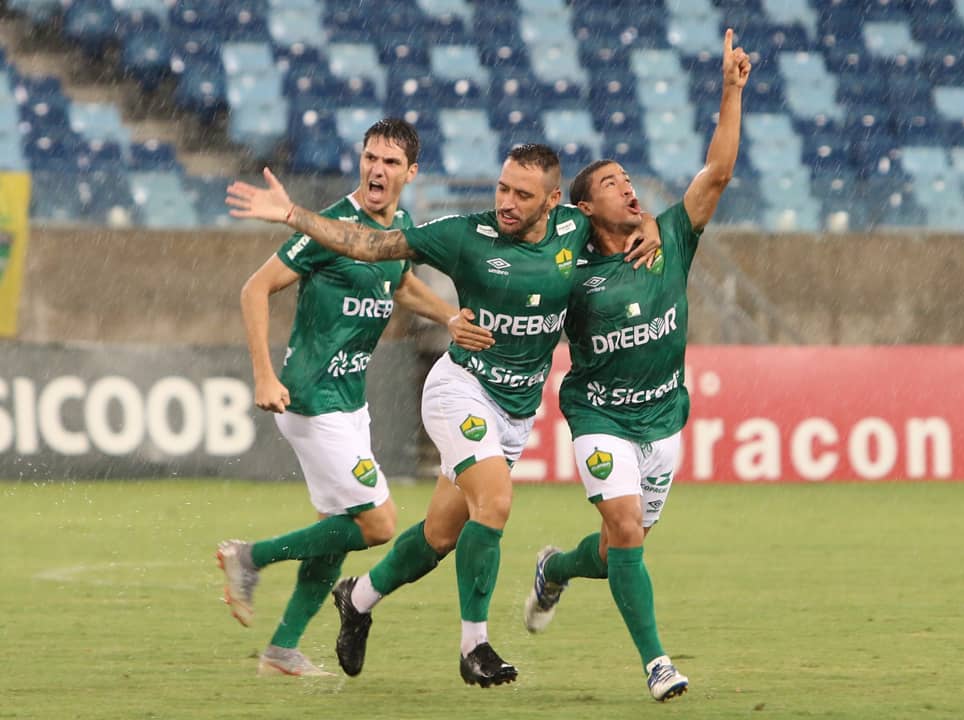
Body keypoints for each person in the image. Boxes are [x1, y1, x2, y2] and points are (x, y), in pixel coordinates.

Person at [225, 144, 661, 687]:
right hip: (460, 391)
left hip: (515, 410)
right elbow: (371, 244)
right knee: (495, 501)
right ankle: (473, 645)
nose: (506, 201)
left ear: (552, 201)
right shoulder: (464, 235)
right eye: (502, 187)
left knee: (439, 536)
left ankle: (357, 598)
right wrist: (294, 215)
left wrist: (653, 228)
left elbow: (621, 217)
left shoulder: (573, 230)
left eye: (522, 195)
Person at [518, 29, 751, 702]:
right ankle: (657, 663)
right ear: (584, 208)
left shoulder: (671, 235)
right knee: (624, 529)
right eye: (611, 183)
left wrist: (731, 92)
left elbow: (718, 173)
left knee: (624, 543)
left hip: (663, 415)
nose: (628, 188)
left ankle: (555, 568)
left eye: (628, 179)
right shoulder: (569, 267)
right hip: (598, 415)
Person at [216, 118, 492, 677]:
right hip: (312, 399)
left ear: (410, 173)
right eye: (370, 157)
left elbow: (400, 282)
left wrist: (448, 315)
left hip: (348, 400)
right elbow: (254, 288)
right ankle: (250, 557)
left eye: (390, 162)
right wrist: (264, 375)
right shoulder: (331, 227)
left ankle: (282, 649)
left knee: (338, 529)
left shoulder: (402, 226)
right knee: (381, 523)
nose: (376, 169)